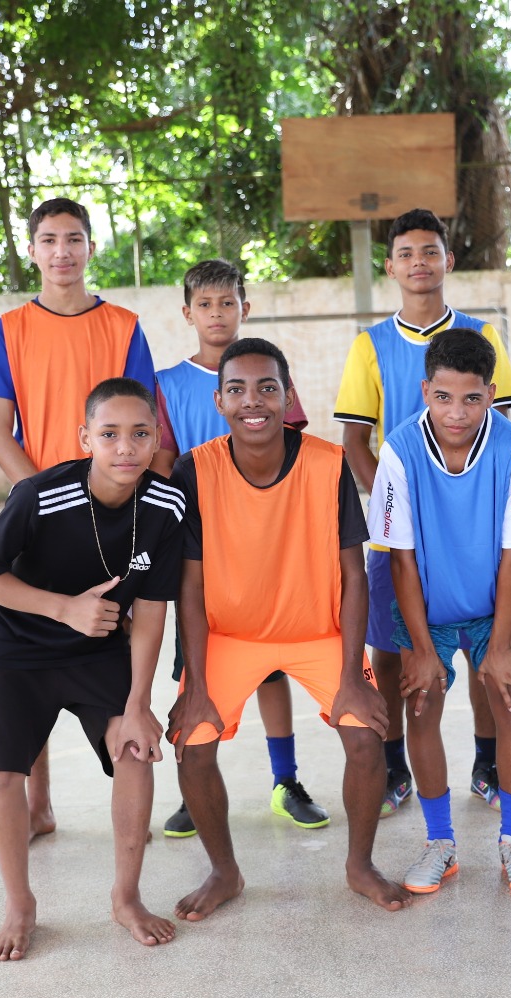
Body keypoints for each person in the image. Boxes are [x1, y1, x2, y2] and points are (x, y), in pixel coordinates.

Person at [168, 338, 411, 917]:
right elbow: (191, 587)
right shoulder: (194, 469)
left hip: (316, 633)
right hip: (230, 635)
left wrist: (353, 674)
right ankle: (224, 873)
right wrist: (195, 684)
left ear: (289, 396)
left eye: (267, 387)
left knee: (365, 735)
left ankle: (359, 865)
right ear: (219, 400)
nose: (253, 401)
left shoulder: (327, 465)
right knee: (193, 747)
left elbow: (355, 576)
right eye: (238, 389)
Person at [0, 378, 184, 959]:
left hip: (96, 649)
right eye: (109, 434)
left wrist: (139, 704)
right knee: (3, 772)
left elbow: (153, 612)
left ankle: (126, 896)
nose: (125, 448)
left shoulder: (166, 506)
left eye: (140, 433)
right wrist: (66, 608)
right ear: (85, 438)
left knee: (135, 746)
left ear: (156, 436)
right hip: (13, 644)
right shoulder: (41, 495)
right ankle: (20, 905)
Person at [0, 197, 155, 842]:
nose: (61, 252)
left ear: (90, 248)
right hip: (37, 519)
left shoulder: (125, 326)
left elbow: (139, 421)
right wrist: (47, 502)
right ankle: (39, 804)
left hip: (111, 520)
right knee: (28, 662)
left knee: (112, 642)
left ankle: (132, 793)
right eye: (48, 240)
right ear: (32, 250)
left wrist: (97, 504)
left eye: (73, 239)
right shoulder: (10, 329)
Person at [333, 207, 511, 818]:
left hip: (471, 526)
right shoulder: (371, 344)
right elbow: (356, 441)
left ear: (448, 260)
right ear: (390, 266)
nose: (420, 262)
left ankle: (488, 759)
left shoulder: (481, 336)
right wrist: (393, 508)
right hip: (403, 531)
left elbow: (503, 431)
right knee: (396, 652)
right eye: (408, 253)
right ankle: (394, 764)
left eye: (431, 252)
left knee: (482, 643)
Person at [149, 259, 327, 839]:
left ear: (244, 308)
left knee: (271, 667)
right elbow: (161, 463)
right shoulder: (169, 384)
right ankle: (194, 794)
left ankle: (286, 781)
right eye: (205, 304)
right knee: (196, 669)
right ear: (187, 313)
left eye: (228, 303)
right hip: (202, 549)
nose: (217, 314)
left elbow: (295, 449)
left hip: (267, 545)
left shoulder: (264, 372)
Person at [367, 328, 511, 894]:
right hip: (429, 609)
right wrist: (420, 649)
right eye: (444, 397)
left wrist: (498, 646)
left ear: (491, 394)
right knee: (421, 706)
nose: (457, 412)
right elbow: (401, 558)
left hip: (496, 605)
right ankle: (440, 842)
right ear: (425, 391)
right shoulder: (398, 449)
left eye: (472, 398)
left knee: (510, 703)